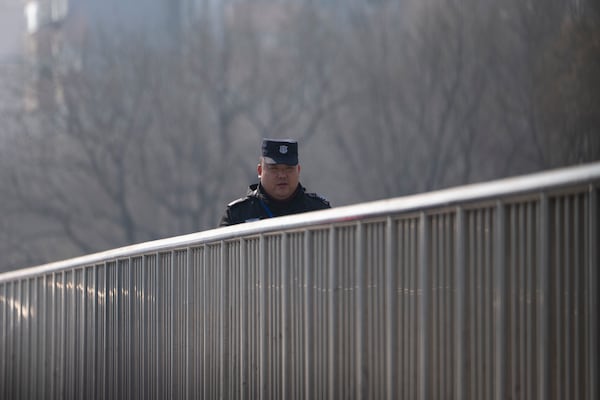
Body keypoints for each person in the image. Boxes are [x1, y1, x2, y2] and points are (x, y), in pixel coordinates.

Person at [219, 138, 331, 226]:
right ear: (260, 171)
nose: (282, 175)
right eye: (274, 169)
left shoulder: (318, 211)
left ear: (298, 171)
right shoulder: (237, 215)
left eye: (289, 169)